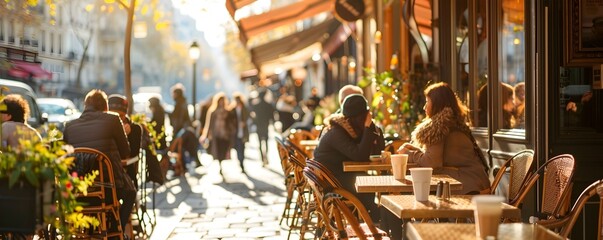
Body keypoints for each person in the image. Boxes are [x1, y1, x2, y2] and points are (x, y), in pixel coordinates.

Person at [63, 89, 136, 235]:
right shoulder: (113, 119)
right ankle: (116, 231)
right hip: (109, 190)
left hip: (79, 191)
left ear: (85, 106)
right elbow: (125, 152)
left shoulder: (69, 126)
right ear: (106, 107)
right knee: (131, 192)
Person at [397, 82, 490, 194]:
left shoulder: (439, 127)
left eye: (427, 102)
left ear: (437, 104)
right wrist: (416, 151)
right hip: (476, 181)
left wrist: (408, 154)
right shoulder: (452, 122)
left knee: (418, 190)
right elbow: (438, 157)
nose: (424, 107)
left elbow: (431, 163)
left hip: (469, 188)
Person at [313, 94, 385, 222]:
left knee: (367, 180)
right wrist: (368, 128)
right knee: (367, 182)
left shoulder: (348, 128)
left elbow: (379, 149)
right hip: (332, 183)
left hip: (337, 177)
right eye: (366, 115)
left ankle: (374, 219)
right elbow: (360, 156)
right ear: (361, 116)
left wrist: (372, 127)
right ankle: (376, 220)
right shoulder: (337, 132)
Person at [108, 94, 143, 185]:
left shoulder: (135, 128)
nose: (118, 119)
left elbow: (134, 155)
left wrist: (124, 136)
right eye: (113, 116)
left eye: (121, 116)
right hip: (105, 172)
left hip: (125, 174)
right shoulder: (103, 127)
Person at [200, 92, 236, 176]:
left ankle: (221, 162)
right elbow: (208, 124)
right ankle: (220, 165)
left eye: (223, 101)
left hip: (225, 134)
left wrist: (231, 131)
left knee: (224, 150)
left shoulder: (228, 111)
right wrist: (205, 135)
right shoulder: (213, 111)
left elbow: (232, 123)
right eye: (220, 101)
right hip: (216, 134)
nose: (221, 103)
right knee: (218, 151)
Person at [250, 89, 275, 167]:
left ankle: (262, 158)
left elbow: (253, 116)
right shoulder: (268, 105)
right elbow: (272, 116)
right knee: (266, 141)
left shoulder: (256, 105)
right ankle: (265, 157)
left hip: (259, 125)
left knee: (260, 142)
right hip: (265, 125)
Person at [231, 92, 250, 174]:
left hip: (243, 132)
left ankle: (242, 163)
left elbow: (248, 117)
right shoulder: (232, 109)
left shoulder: (244, 108)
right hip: (235, 132)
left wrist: (244, 122)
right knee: (237, 148)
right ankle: (240, 161)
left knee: (242, 148)